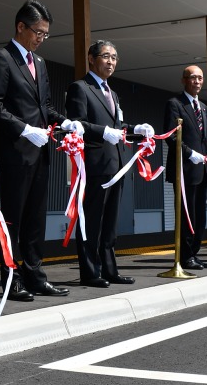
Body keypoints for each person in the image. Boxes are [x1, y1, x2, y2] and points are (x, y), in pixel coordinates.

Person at [0, 0, 83, 301]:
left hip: (41, 153)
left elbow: (46, 107)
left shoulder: (39, 63)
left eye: (45, 34)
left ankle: (36, 276)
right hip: (15, 152)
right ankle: (12, 280)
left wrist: (66, 122)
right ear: (21, 27)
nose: (41, 38)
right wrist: (26, 130)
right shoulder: (2, 57)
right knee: (13, 219)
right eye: (38, 32)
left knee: (36, 219)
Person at [65, 40, 153, 288]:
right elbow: (76, 123)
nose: (111, 62)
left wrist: (136, 129)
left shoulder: (112, 93)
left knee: (110, 221)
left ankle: (109, 269)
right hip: (94, 165)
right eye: (106, 56)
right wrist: (104, 131)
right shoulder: (80, 88)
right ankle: (91, 272)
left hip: (116, 164)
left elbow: (118, 127)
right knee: (92, 220)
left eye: (115, 57)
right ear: (91, 59)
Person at [163, 65, 207, 271]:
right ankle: (184, 257)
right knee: (186, 215)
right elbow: (171, 135)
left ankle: (194, 253)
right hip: (184, 170)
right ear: (184, 80)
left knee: (200, 217)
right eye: (193, 78)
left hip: (201, 172)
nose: (198, 82)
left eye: (200, 78)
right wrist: (189, 153)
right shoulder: (175, 104)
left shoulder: (203, 107)